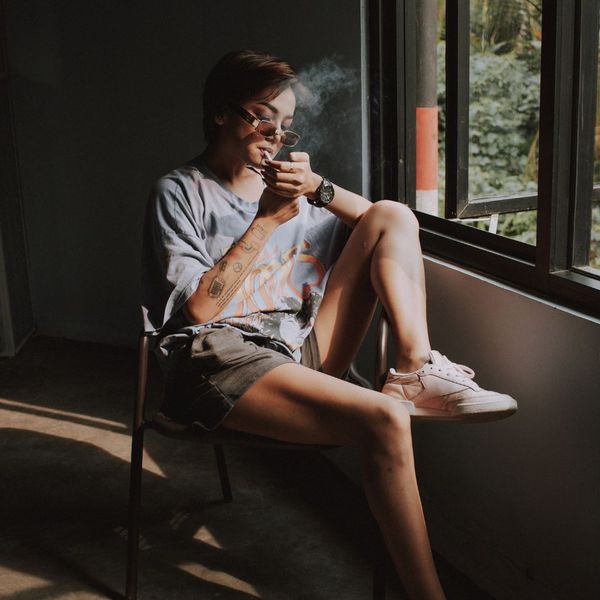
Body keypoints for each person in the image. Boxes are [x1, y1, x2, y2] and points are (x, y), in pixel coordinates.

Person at [142, 49, 517, 600]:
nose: (274, 134)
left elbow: (391, 227)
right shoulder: (180, 192)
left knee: (393, 212)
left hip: (296, 350)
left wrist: (317, 187)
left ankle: (414, 366)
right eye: (261, 115)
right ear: (221, 112)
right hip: (216, 357)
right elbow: (196, 312)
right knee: (387, 420)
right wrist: (265, 220)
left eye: (286, 125)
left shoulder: (297, 195)